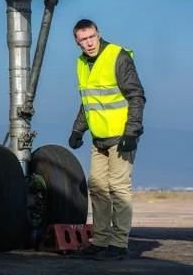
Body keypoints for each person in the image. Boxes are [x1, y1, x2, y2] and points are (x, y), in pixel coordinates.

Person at [68, 19, 146, 261]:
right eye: (83, 39)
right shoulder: (82, 63)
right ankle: (101, 241)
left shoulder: (117, 56)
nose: (89, 43)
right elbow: (89, 101)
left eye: (92, 37)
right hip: (98, 138)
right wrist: (77, 130)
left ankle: (119, 245)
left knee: (118, 188)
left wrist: (132, 132)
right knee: (98, 187)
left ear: (98, 34)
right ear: (77, 42)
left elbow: (136, 96)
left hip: (122, 137)